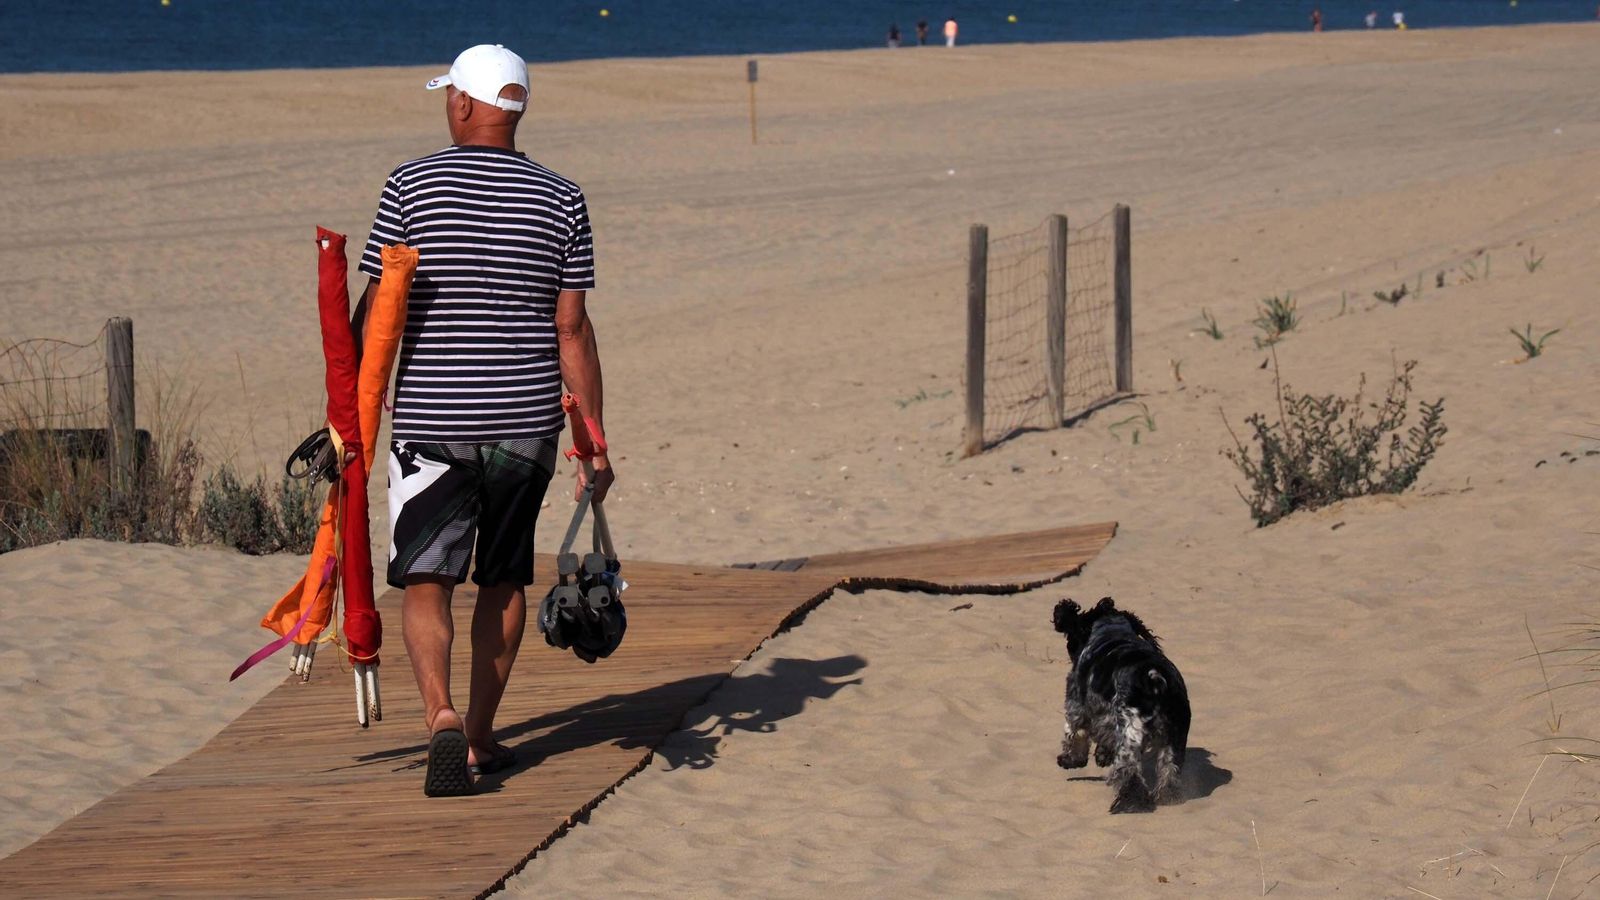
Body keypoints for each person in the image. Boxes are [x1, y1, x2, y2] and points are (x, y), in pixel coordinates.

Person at [354, 43, 614, 796]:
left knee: (428, 581)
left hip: (432, 419)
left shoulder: (411, 185)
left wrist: (354, 411)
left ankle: (437, 715)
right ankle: (477, 735)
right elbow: (573, 330)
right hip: (524, 424)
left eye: (449, 96)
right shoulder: (564, 198)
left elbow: (381, 314)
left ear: (464, 105)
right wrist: (591, 441)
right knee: (501, 581)